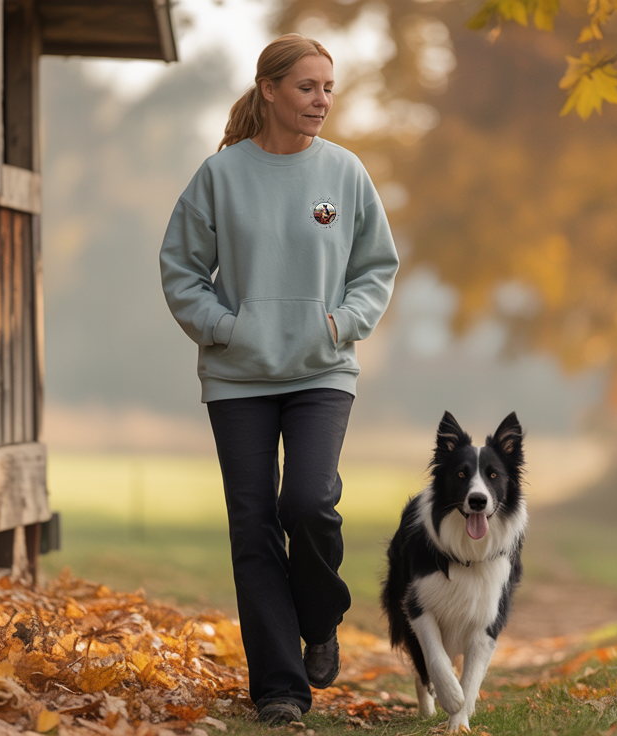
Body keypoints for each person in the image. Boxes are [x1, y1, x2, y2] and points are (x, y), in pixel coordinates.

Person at [158, 34, 400, 726]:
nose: (322, 100)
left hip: (322, 370)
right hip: (239, 378)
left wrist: (340, 324)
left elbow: (376, 267)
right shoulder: (220, 176)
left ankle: (320, 620)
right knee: (254, 526)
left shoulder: (346, 173)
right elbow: (181, 269)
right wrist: (226, 328)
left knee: (309, 505)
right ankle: (280, 689)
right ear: (269, 90)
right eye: (307, 87)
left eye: (328, 87)